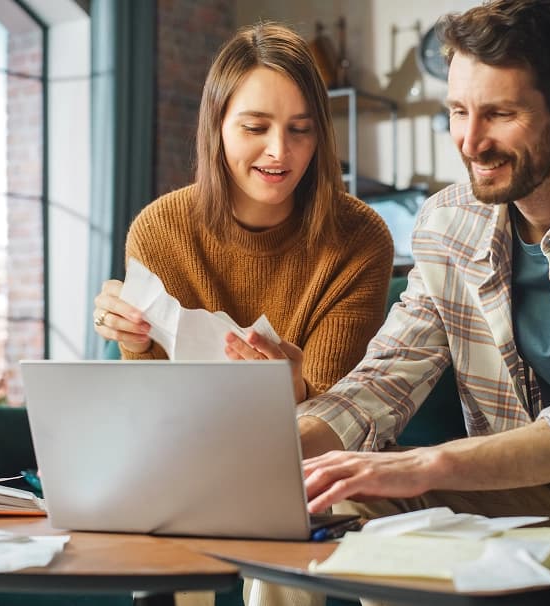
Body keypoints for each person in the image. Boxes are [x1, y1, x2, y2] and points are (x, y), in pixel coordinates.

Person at [278, 2, 550, 606]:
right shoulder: (449, 222)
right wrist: (279, 446)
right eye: (458, 112)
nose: (470, 142)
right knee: (338, 487)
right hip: (525, 486)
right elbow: (384, 381)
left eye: (500, 113)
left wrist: (429, 464)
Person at [92, 22, 393, 401]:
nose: (279, 151)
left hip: (310, 453)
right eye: (255, 127)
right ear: (216, 127)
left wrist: (292, 390)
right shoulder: (159, 231)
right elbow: (152, 404)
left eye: (300, 130)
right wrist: (131, 337)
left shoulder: (360, 238)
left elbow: (340, 418)